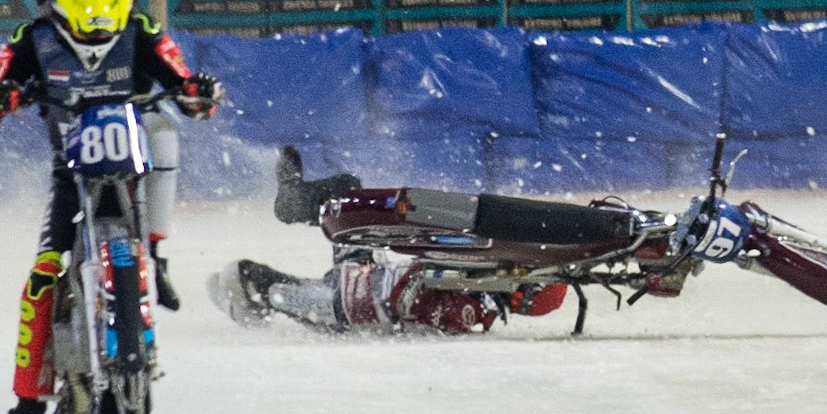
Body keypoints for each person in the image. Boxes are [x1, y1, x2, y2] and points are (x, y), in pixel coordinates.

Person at [0, 0, 222, 414]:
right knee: (42, 277)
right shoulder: (31, 38)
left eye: (107, 14)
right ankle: (27, 402)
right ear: (61, 4)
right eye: (87, 17)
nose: (98, 28)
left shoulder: (142, 31)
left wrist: (198, 93)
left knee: (165, 134)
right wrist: (1, 97)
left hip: (130, 167)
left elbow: (187, 88)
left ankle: (156, 255)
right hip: (71, 174)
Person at [214, 146, 567, 334]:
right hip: (365, 276)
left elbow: (411, 305)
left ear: (522, 290)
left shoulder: (474, 312)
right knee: (349, 196)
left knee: (243, 277)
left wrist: (432, 267)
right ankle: (295, 204)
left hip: (345, 305)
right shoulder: (479, 271)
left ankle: (254, 304)